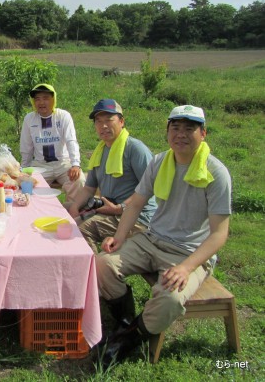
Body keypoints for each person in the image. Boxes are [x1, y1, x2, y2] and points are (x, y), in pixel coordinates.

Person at [96, 105, 232, 367]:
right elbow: (136, 203)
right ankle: (125, 319)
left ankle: (128, 337)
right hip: (152, 239)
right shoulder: (160, 162)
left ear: (203, 133)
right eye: (175, 128)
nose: (181, 134)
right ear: (168, 132)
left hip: (188, 253)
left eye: (189, 128)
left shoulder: (216, 173)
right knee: (103, 263)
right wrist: (120, 237)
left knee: (169, 298)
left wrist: (186, 268)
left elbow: (219, 234)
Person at [69, 99, 157, 253]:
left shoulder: (135, 149)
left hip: (137, 217)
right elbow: (89, 187)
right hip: (109, 208)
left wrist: (120, 208)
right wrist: (75, 207)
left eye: (109, 120)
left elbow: (150, 189)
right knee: (64, 210)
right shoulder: (101, 150)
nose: (103, 126)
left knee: (78, 229)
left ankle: (91, 271)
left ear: (121, 121)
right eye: (98, 121)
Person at [19, 83, 85, 203]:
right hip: (40, 165)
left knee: (79, 181)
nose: (41, 102)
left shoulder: (63, 116)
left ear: (53, 99)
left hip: (63, 164)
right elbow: (26, 147)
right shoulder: (29, 119)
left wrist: (75, 164)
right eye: (37, 99)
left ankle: (74, 213)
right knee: (26, 185)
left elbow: (71, 140)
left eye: (45, 98)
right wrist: (24, 169)